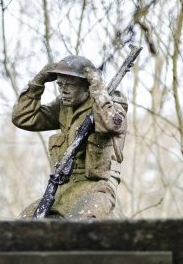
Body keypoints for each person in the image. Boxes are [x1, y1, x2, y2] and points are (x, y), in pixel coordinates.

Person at [12, 55, 127, 219]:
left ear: (87, 87)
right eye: (60, 84)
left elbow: (111, 125)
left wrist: (98, 89)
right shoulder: (64, 107)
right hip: (63, 190)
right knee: (24, 224)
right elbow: (23, 117)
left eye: (70, 85)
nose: (63, 90)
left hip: (96, 188)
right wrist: (39, 80)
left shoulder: (111, 104)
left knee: (83, 225)